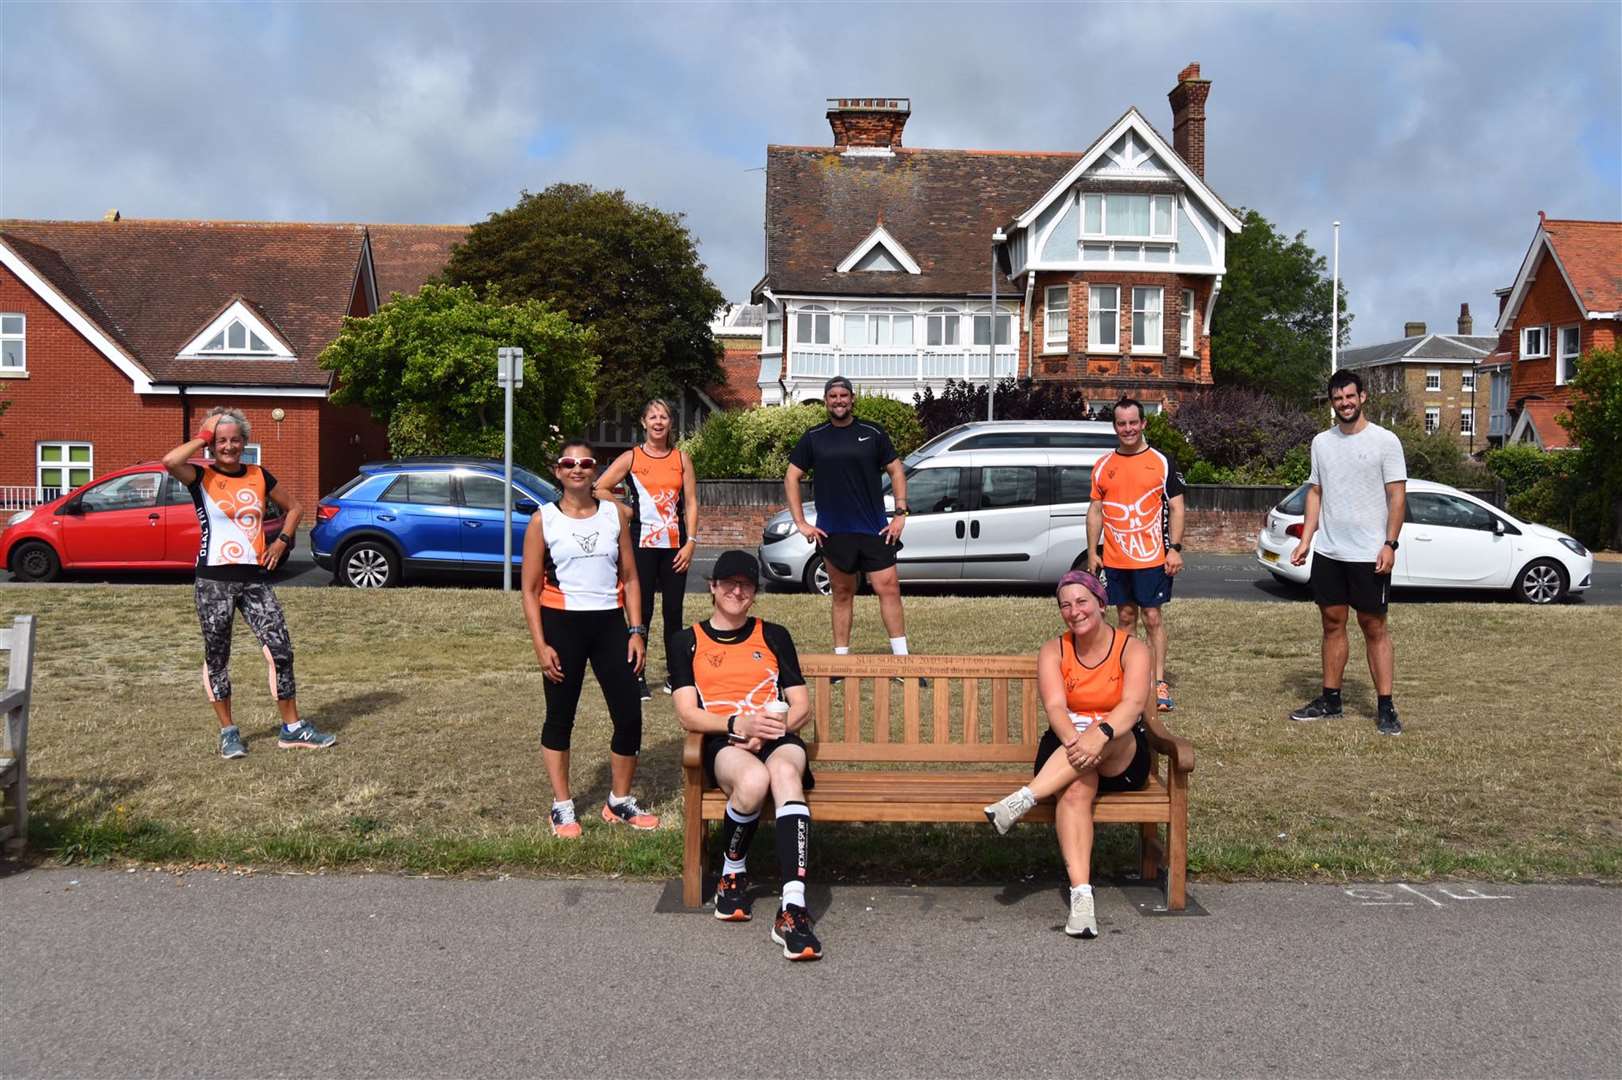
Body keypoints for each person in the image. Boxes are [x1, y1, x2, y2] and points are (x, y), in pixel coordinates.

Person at [982, 570, 1153, 939]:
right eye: (1065, 605)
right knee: (1075, 790)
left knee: (1108, 733)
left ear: (1101, 604)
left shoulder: (1134, 649)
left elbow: (1133, 705)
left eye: (1081, 602)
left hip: (1120, 748)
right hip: (1066, 743)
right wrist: (1077, 741)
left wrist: (1099, 734)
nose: (1074, 611)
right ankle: (1082, 898)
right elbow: (1056, 707)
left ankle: (1026, 797)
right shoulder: (1053, 650)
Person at [668, 549, 821, 961]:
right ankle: (732, 873)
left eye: (747, 585)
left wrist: (773, 729)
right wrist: (739, 726)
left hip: (777, 734)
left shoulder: (774, 635)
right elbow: (687, 713)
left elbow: (802, 704)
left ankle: (793, 909)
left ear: (755, 593)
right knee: (752, 782)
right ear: (713, 587)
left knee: (785, 775)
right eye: (729, 584)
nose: (738, 591)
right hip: (725, 738)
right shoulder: (687, 640)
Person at [162, 407, 334, 758]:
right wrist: (203, 436)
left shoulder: (259, 475)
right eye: (221, 441)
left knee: (281, 650)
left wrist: (282, 540)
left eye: (235, 440)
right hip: (213, 580)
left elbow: (295, 508)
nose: (229, 447)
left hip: (254, 579)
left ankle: (292, 728)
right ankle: (228, 733)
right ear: (212, 445)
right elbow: (169, 460)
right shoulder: (200, 477)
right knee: (217, 657)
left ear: (245, 442)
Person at [520, 437, 659, 837]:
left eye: (585, 463)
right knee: (560, 716)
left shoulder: (615, 516)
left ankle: (619, 801)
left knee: (629, 714)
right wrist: (540, 644)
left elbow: (631, 579)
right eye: (568, 463)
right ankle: (562, 805)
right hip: (561, 625)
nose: (577, 469)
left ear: (595, 469)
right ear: (557, 471)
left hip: (611, 625)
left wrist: (636, 631)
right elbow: (529, 590)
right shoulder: (542, 519)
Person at [1289, 370, 1407, 736]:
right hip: (1330, 552)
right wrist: (1307, 537)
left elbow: (1397, 496)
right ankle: (1331, 700)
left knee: (1374, 627)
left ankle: (1386, 707)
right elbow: (1315, 492)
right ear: (1332, 403)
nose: (1345, 404)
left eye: (1350, 397)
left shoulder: (1385, 441)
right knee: (1332, 624)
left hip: (1370, 554)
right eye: (1338, 399)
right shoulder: (1321, 443)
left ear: (1363, 397)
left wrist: (1390, 543)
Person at [784, 376, 911, 665]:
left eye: (844, 395)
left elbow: (896, 470)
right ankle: (841, 662)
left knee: (888, 588)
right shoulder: (814, 437)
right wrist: (801, 522)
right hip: (834, 532)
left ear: (852, 399)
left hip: (874, 528)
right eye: (833, 396)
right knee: (842, 593)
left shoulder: (872, 432)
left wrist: (900, 514)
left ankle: (903, 662)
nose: (838, 400)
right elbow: (792, 477)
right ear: (826, 401)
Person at [593, 398, 699, 700]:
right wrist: (625, 510)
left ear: (670, 423)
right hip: (641, 543)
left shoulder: (681, 459)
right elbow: (599, 487)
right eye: (653, 417)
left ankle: (676, 675)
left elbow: (690, 503)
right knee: (642, 612)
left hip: (675, 545)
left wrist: (691, 542)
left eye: (664, 417)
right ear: (643, 422)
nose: (658, 422)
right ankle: (636, 675)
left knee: (673, 612)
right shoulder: (632, 457)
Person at [1086, 398, 1185, 712]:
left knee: (1153, 618)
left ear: (1143, 423)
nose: (1127, 429)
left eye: (1133, 422)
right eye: (1121, 423)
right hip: (1116, 559)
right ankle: (1130, 681)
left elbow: (1177, 507)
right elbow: (1095, 510)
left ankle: (1158, 682)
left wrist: (1175, 549)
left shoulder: (1162, 461)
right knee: (1125, 619)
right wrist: (1092, 551)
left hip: (1153, 558)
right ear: (1115, 426)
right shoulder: (1103, 465)